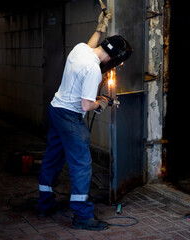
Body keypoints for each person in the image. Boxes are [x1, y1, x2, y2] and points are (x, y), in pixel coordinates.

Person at [37, 11, 132, 231]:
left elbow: (92, 45)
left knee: (52, 157)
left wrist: (99, 28)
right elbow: (86, 105)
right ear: (112, 57)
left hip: (55, 109)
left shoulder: (81, 49)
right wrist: (103, 103)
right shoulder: (92, 71)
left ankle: (45, 204)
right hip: (70, 117)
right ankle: (82, 216)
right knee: (81, 165)